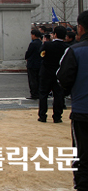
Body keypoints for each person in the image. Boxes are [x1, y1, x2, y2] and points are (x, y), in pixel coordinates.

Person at [57, 10, 88, 191]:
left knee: (82, 154)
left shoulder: (75, 51)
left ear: (81, 28)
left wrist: (70, 93)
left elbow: (63, 79)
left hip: (83, 111)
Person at [38, 25, 68, 123]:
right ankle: (57, 116)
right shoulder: (67, 47)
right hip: (59, 73)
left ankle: (42, 115)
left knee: (43, 94)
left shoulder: (47, 45)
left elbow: (41, 55)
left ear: (54, 35)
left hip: (46, 72)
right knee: (58, 95)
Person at [24, 29, 42, 100]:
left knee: (32, 79)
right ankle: (38, 93)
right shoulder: (41, 43)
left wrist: (26, 57)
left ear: (34, 35)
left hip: (32, 64)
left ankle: (34, 94)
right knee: (38, 79)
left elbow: (28, 53)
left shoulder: (33, 44)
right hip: (39, 63)